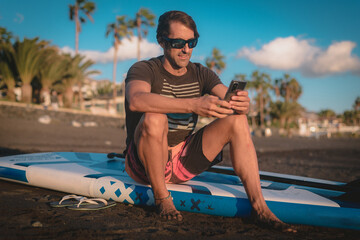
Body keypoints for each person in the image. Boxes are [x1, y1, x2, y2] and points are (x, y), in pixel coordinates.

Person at [124, 10, 294, 231]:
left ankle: (259, 208)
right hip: (144, 166)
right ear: (161, 42)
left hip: (182, 163)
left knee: (238, 120)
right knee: (155, 117)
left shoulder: (201, 73)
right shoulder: (145, 69)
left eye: (192, 42)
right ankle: (162, 199)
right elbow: (136, 100)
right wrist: (193, 104)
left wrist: (242, 104)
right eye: (178, 42)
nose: (186, 49)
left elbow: (228, 98)